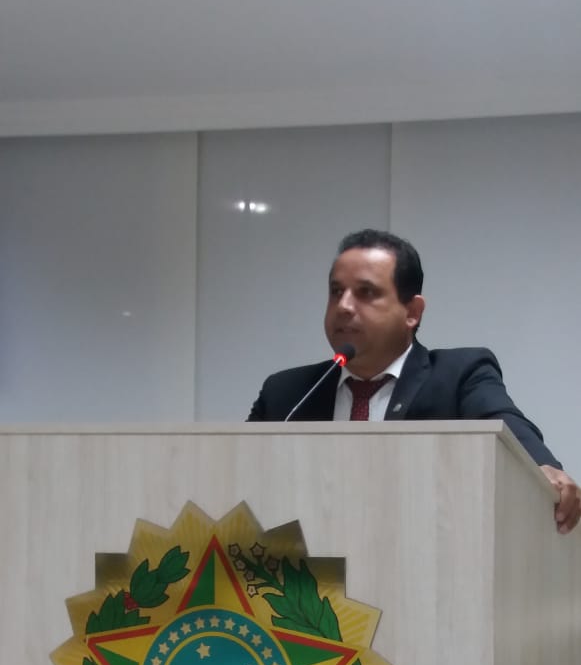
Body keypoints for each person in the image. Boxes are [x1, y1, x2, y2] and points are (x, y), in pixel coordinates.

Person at [248, 228, 581, 533]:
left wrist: (543, 467)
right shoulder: (288, 392)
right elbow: (237, 477)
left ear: (412, 313)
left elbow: (506, 423)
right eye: (336, 292)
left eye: (366, 292)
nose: (344, 306)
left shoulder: (458, 375)